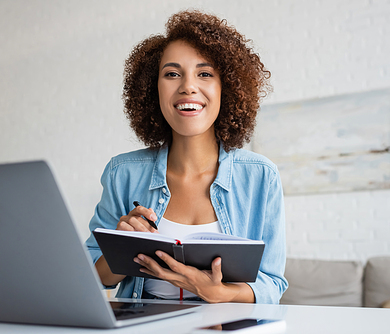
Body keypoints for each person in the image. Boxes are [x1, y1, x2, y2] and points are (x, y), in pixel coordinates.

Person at [85, 10, 287, 304]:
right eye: (172, 74)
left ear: (226, 88)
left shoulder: (260, 176)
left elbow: (272, 284)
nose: (187, 86)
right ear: (153, 89)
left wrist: (220, 293)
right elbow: (90, 275)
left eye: (204, 74)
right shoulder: (122, 172)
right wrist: (122, 247)